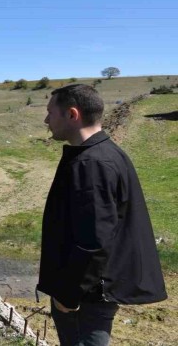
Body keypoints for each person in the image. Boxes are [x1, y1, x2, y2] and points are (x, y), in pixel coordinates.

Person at [37, 84, 167, 346]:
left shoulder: (92, 163)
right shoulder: (103, 153)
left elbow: (94, 239)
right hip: (92, 288)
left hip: (88, 295)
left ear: (72, 115)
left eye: (51, 113)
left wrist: (68, 295)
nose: (46, 120)